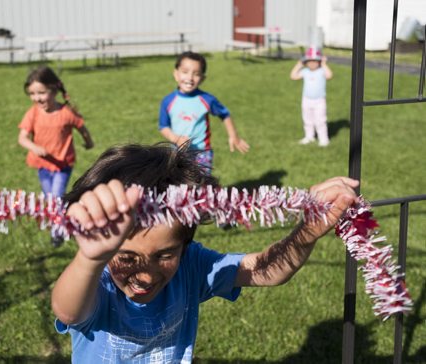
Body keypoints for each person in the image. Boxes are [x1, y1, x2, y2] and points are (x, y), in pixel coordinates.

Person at [51, 142, 359, 363]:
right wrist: (90, 259)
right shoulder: (96, 281)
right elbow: (68, 311)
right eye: (128, 258)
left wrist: (307, 230)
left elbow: (266, 270)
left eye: (165, 255)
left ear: (185, 244)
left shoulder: (191, 266)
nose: (146, 274)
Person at [159, 51, 249, 173]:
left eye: (196, 74)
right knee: (177, 186)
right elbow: (163, 126)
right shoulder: (168, 101)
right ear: (176, 74)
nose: (190, 78)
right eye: (185, 72)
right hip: (176, 152)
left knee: (201, 187)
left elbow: (224, 114)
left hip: (202, 153)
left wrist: (234, 136)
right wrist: (176, 138)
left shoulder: (207, 99)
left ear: (202, 78)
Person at [18, 66, 94, 199]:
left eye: (41, 93)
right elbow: (22, 138)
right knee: (49, 197)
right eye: (32, 94)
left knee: (56, 197)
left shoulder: (67, 113)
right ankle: (55, 218)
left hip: (62, 164)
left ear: (53, 91)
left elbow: (82, 128)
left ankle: (60, 218)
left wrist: (89, 142)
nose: (37, 98)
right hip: (42, 163)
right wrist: (35, 148)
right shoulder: (33, 113)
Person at [290, 46, 333, 147]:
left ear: (319, 61)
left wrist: (324, 64)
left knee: (320, 120)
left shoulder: (322, 71)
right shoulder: (305, 71)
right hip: (306, 100)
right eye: (309, 61)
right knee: (307, 119)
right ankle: (309, 136)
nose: (312, 63)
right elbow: (293, 76)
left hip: (319, 101)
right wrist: (299, 64)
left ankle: (324, 139)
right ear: (306, 62)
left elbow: (329, 75)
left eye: (315, 61)